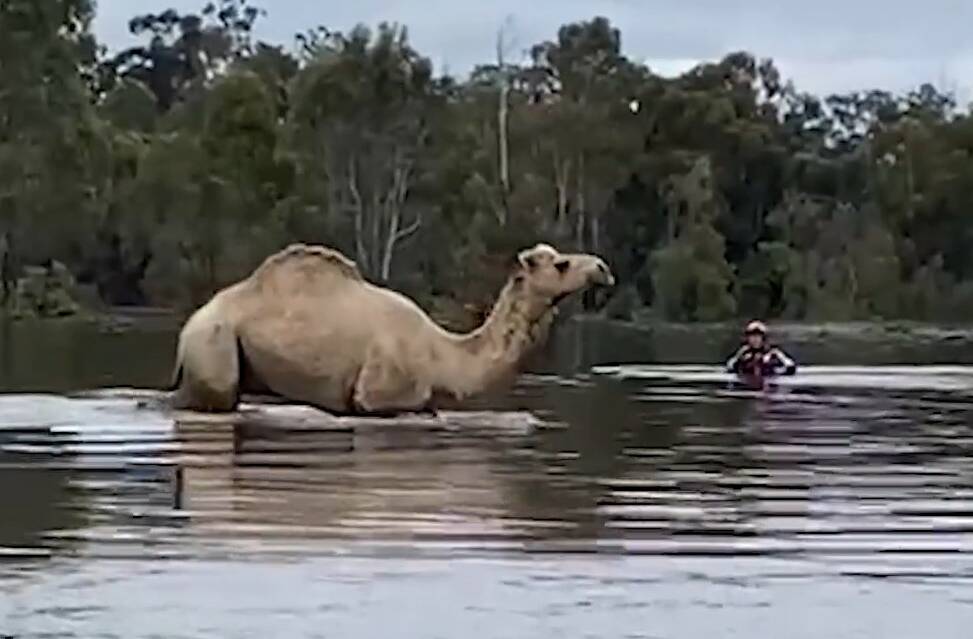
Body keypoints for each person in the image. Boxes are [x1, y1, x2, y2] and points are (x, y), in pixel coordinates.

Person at [725, 320, 797, 377]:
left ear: (763, 338)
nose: (755, 339)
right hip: (748, 381)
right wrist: (741, 363)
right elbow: (730, 365)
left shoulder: (773, 352)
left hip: (768, 381)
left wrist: (775, 371)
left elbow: (790, 366)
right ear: (748, 338)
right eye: (752, 336)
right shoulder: (744, 351)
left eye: (758, 336)